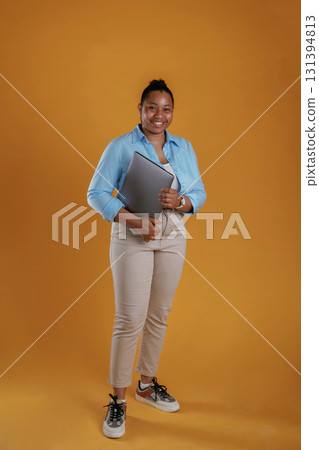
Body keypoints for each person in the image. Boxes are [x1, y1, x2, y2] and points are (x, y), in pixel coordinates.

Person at [87, 79, 206, 439]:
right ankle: (119, 400)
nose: (159, 115)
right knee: (129, 319)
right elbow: (95, 194)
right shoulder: (121, 146)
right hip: (132, 235)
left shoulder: (183, 148)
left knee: (159, 315)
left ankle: (146, 385)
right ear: (140, 110)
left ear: (172, 112)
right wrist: (135, 220)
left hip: (172, 236)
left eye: (166, 108)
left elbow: (198, 191)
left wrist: (182, 203)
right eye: (152, 107)